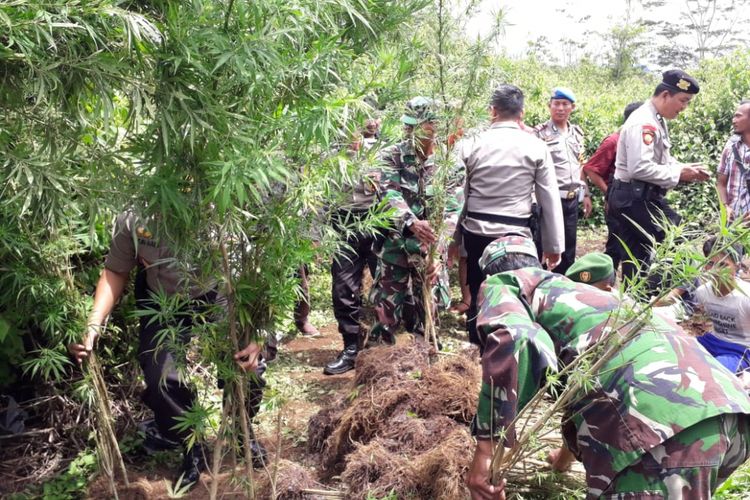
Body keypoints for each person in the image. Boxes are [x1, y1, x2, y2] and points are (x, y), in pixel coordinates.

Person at [466, 234, 750, 499]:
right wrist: (565, 458)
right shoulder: (591, 298)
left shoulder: (508, 283)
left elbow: (516, 339)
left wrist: (485, 452)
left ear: (489, 274)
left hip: (663, 431)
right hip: (727, 414)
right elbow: (593, 385)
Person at [67, 211, 266, 490]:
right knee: (162, 377)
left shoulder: (224, 206)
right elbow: (115, 270)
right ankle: (191, 447)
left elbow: (258, 268)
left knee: (248, 365)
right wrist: (93, 324)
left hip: (219, 289)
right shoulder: (134, 216)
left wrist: (259, 331)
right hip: (161, 297)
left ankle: (241, 428)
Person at [456, 84, 564, 346]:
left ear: (492, 111)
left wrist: (454, 240)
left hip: (477, 232)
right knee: (517, 289)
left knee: (477, 284)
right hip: (517, 235)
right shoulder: (536, 146)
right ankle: (513, 346)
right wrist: (554, 245)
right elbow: (549, 198)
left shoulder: (469, 144)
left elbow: (458, 197)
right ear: (522, 113)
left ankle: (476, 342)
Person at [608, 69, 710, 287]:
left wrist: (684, 167)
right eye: (682, 100)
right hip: (635, 199)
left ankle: (633, 301)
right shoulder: (644, 122)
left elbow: (659, 160)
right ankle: (674, 295)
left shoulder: (655, 119)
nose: (684, 107)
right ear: (665, 95)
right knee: (678, 239)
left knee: (637, 257)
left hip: (633, 197)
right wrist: (680, 174)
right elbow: (639, 168)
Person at [369, 97, 456, 344]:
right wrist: (411, 222)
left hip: (429, 251)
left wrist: (438, 255)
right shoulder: (391, 155)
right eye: (408, 126)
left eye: (416, 126)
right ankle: (379, 362)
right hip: (394, 245)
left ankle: (425, 361)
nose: (410, 132)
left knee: (429, 313)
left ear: (433, 126)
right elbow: (388, 193)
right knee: (384, 314)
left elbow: (452, 213)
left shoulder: (450, 164)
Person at [325, 122, 384, 375]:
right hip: (342, 222)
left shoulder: (381, 151)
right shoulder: (330, 156)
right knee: (343, 288)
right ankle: (351, 348)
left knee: (386, 286)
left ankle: (385, 347)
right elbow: (320, 195)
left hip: (376, 220)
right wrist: (317, 234)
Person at [533, 87, 592, 275]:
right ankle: (540, 289)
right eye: (556, 104)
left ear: (572, 107)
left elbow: (581, 166)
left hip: (572, 199)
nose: (560, 108)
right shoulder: (539, 134)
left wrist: (587, 194)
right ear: (549, 106)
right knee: (545, 247)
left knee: (568, 248)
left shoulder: (577, 134)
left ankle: (564, 289)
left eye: (565, 104)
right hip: (549, 200)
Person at [582, 102, 643, 271]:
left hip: (634, 204)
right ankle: (605, 284)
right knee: (616, 247)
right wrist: (611, 193)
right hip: (618, 204)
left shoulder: (637, 142)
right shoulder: (614, 141)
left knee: (634, 249)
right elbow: (590, 169)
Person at [693, 236, 750, 379]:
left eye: (723, 265)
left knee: (716, 374)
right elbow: (701, 324)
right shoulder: (702, 292)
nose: (715, 270)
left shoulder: (746, 297)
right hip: (712, 340)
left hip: (739, 349)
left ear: (737, 266)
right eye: (710, 263)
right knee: (681, 354)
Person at [717, 100, 750, 222]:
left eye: (738, 116)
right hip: (732, 223)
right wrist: (725, 207)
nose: (733, 120)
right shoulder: (731, 146)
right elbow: (721, 183)